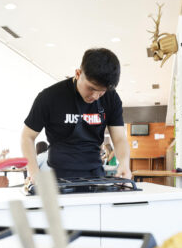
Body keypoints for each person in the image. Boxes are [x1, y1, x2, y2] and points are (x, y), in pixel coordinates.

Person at [20, 48, 131, 183]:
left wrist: (124, 163)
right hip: (57, 174)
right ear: (78, 73)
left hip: (95, 173)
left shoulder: (111, 98)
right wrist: (33, 172)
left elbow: (119, 138)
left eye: (101, 91)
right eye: (91, 88)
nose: (95, 96)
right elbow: (27, 136)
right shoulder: (50, 97)